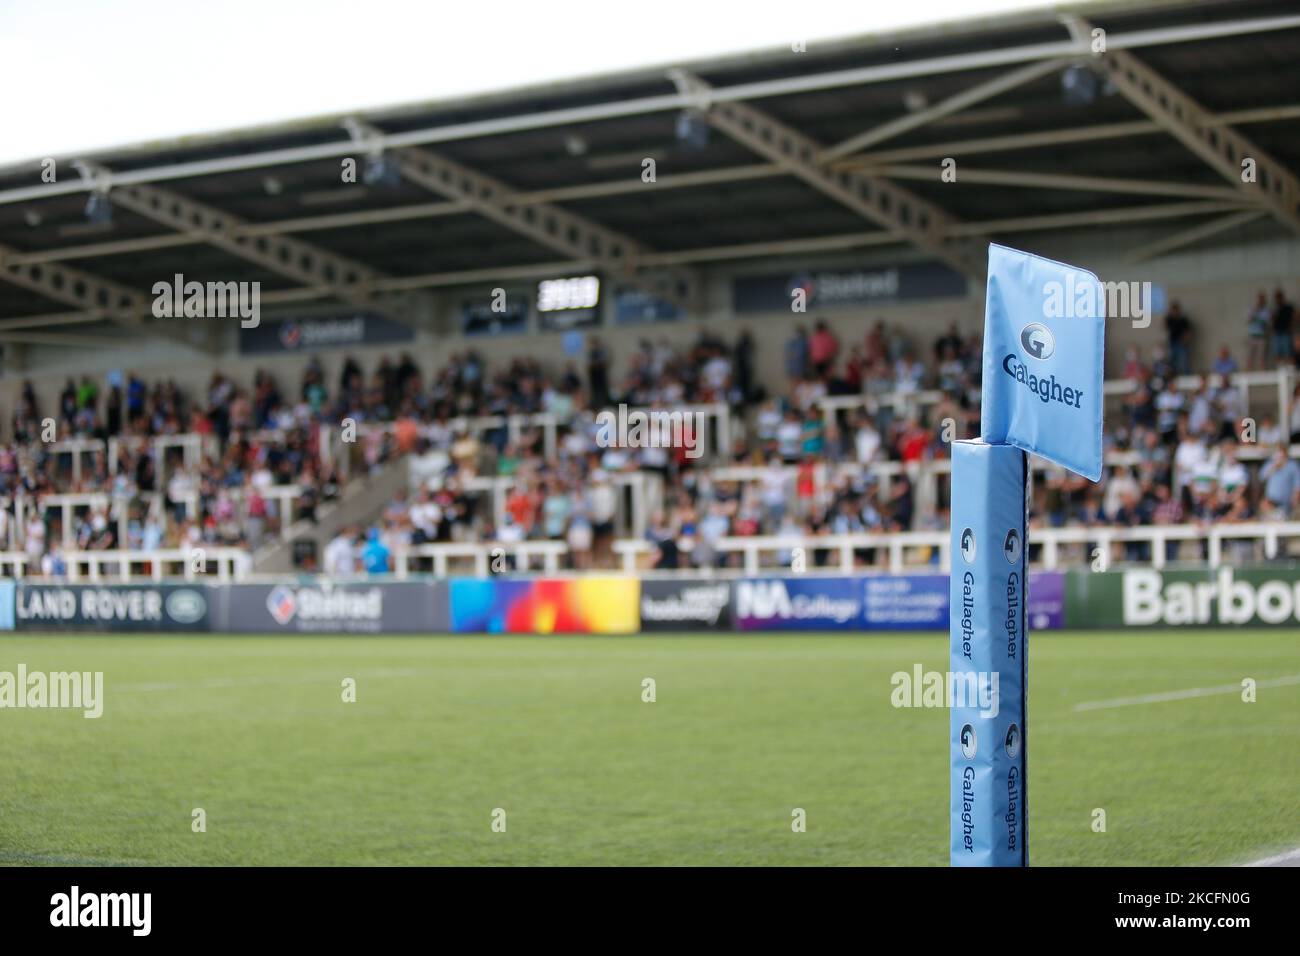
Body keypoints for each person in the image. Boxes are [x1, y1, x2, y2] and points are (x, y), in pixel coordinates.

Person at [1164, 301, 1193, 375]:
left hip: (1181, 343)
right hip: (1172, 343)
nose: (1174, 312)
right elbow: (1165, 327)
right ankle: (1174, 375)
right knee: (1172, 361)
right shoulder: (1169, 319)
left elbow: (1187, 331)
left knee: (1183, 361)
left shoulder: (1183, 319)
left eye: (1175, 310)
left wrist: (1185, 340)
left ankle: (1186, 375)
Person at [1247, 291, 1270, 370]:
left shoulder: (1266, 310)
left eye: (1262, 300)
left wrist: (1257, 317)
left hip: (1261, 336)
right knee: (1250, 355)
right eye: (1259, 299)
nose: (1260, 301)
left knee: (1262, 355)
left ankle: (1263, 370)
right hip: (1252, 335)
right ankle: (1249, 370)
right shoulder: (1252, 309)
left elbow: (1265, 321)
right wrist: (1255, 311)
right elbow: (1249, 319)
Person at [1271, 288, 1295, 366]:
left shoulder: (1288, 307)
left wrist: (1290, 326)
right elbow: (1272, 319)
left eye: (1279, 297)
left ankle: (1288, 366)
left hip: (1285, 332)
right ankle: (1279, 367)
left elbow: (1294, 317)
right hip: (1277, 332)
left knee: (1287, 351)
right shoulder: (1275, 308)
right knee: (1277, 351)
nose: (1278, 300)